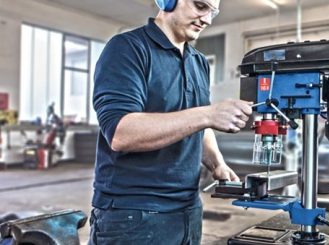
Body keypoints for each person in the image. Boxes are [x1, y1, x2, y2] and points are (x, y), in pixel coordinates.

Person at [88, 0, 252, 244]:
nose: (207, 20)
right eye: (200, 6)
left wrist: (217, 164)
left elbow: (198, 123)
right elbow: (121, 133)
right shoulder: (127, 48)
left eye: (213, 12)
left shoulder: (199, 62)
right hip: (133, 215)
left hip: (188, 209)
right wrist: (208, 114)